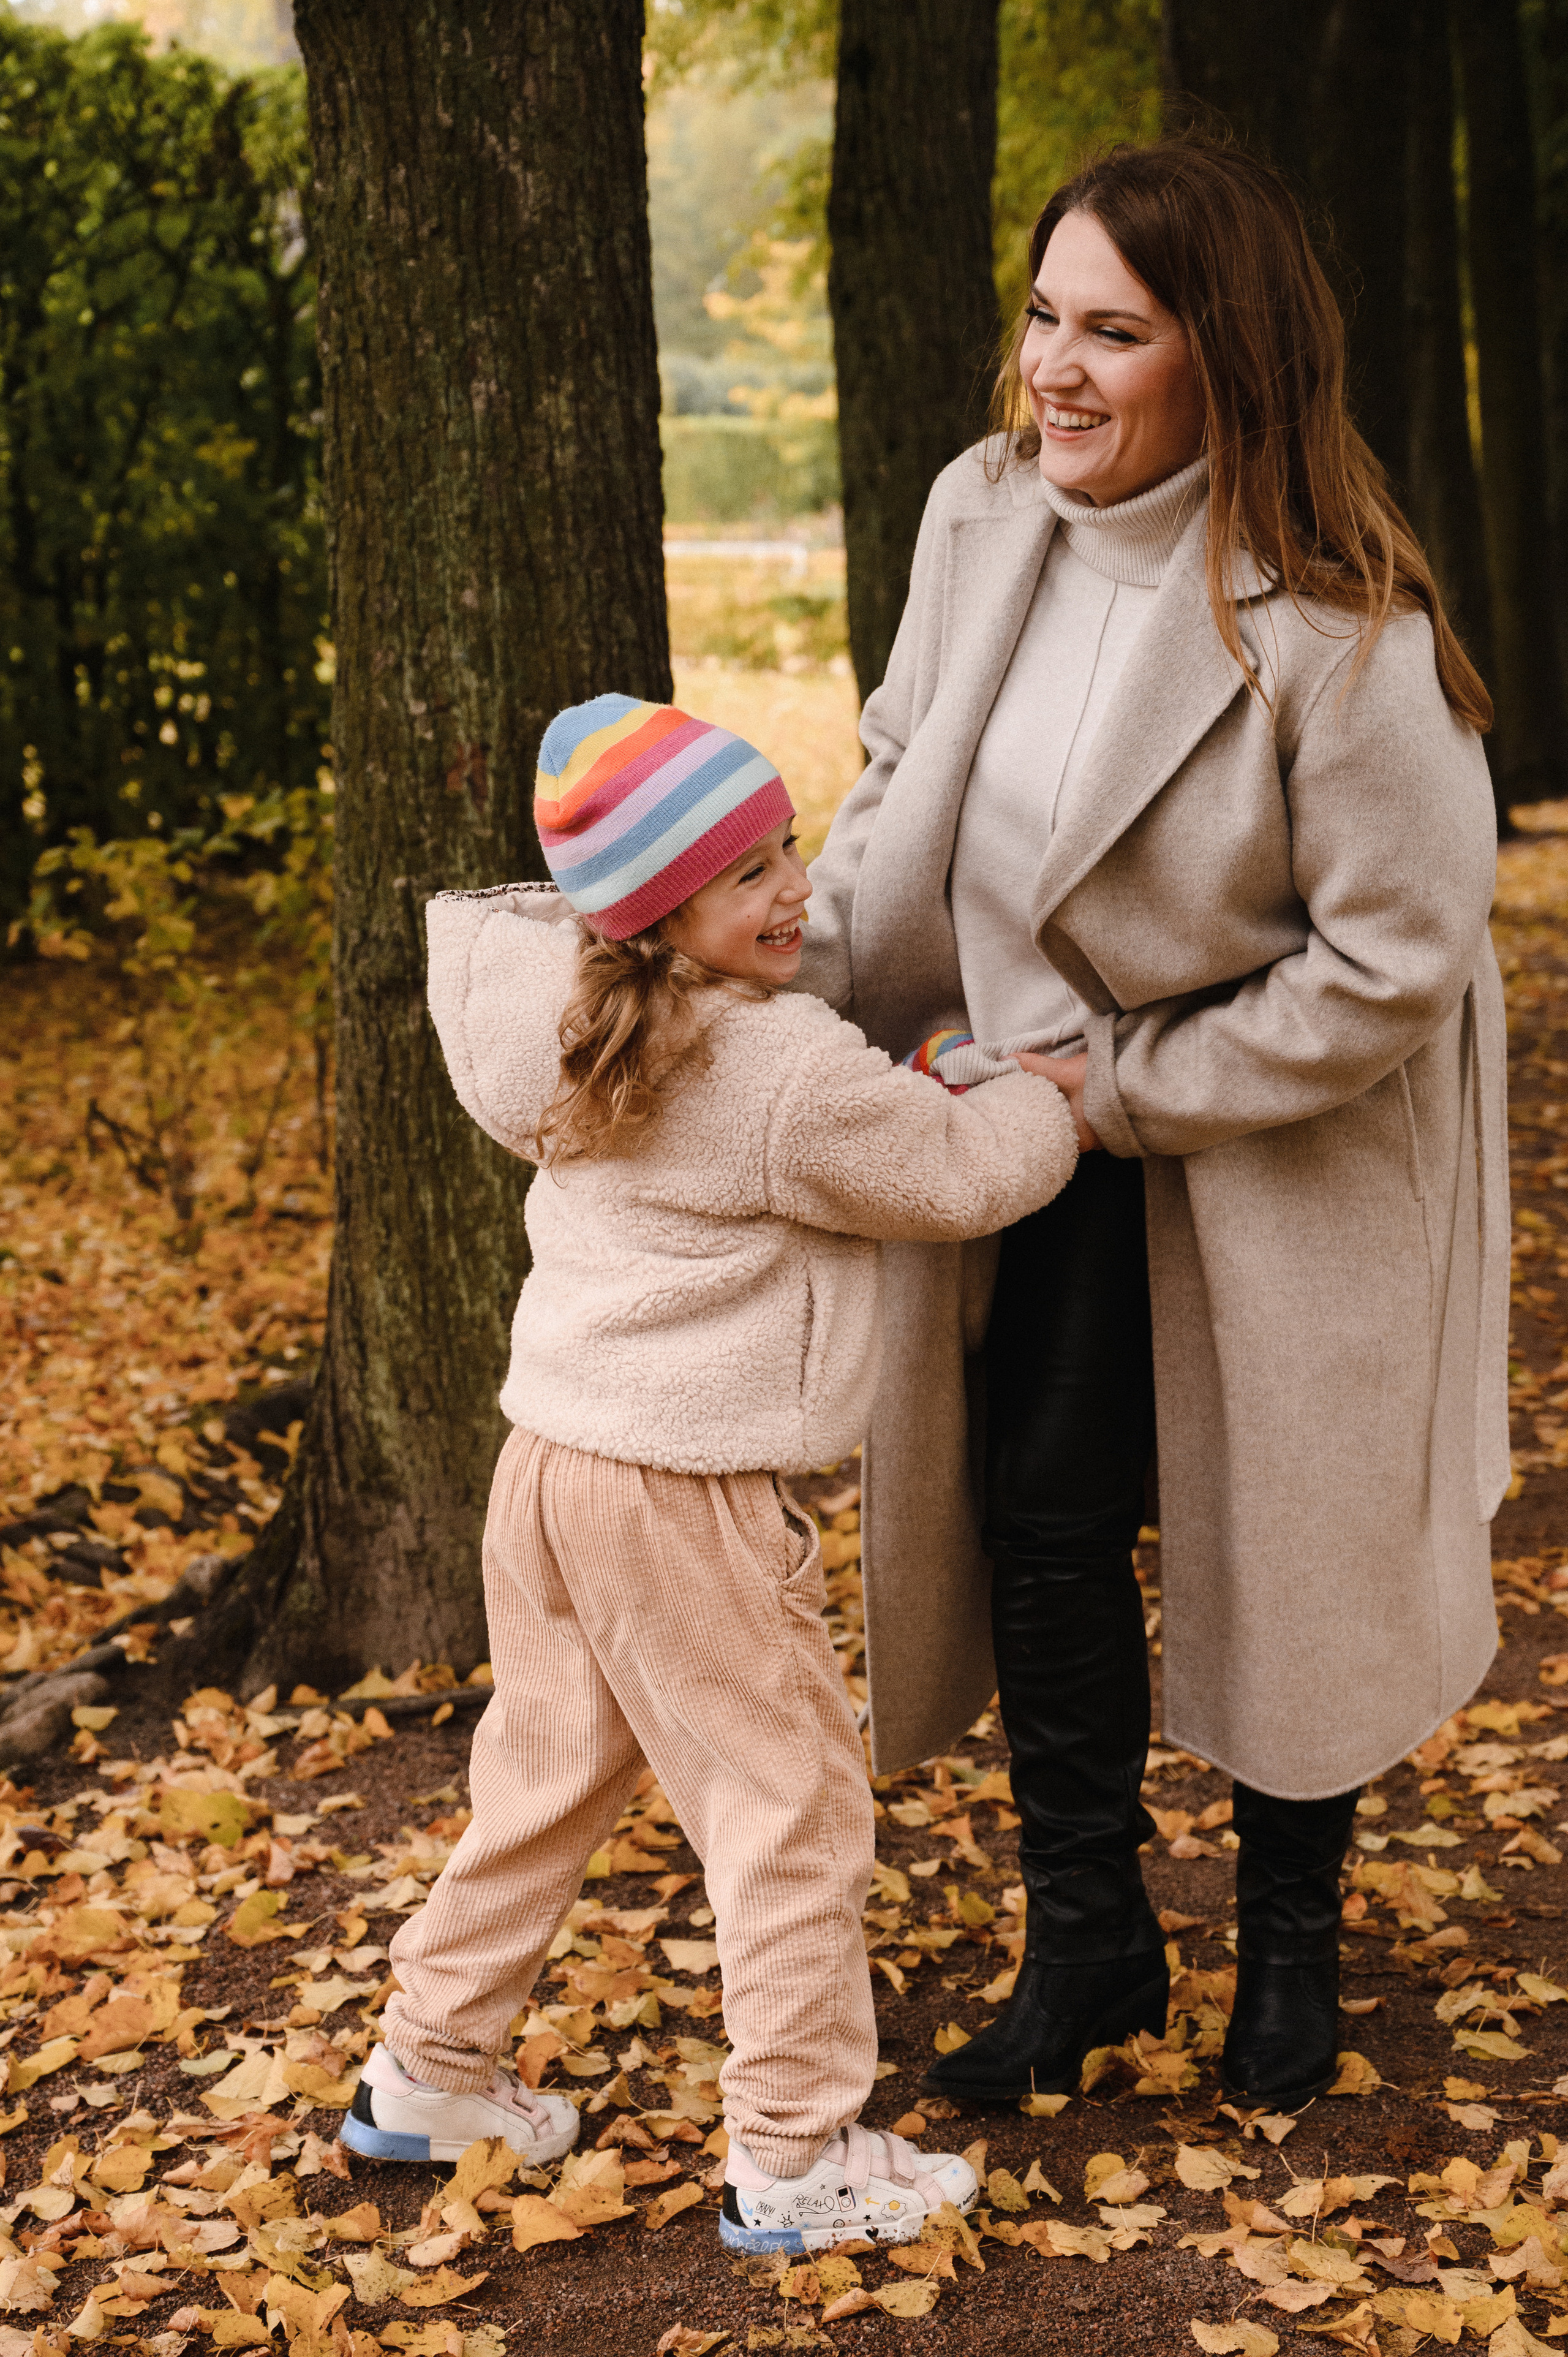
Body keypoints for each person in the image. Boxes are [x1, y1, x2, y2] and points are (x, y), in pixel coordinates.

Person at [797, 136, 1506, 2114]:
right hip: (1020, 1111)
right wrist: (780, 981)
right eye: (1045, 316)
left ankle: (1292, 1947)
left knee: (1286, 1524)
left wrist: (1123, 1089)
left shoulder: (1342, 623)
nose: (1056, 367)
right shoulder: (980, 514)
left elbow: (1394, 959)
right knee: (1039, 1515)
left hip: (1270, 1120)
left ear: (1231, 352)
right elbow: (895, 774)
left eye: (1114, 330)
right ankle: (1092, 1940)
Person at [342, 693, 1079, 2250]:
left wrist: (906, 1073)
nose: (794, 889)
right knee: (789, 1804)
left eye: (789, 847)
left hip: (551, 1462)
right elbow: (954, 1172)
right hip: (680, 1488)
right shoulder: (776, 1071)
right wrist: (1026, 1092)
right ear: (661, 912)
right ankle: (796, 2152)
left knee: (543, 1776)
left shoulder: (559, 1014)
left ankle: (427, 2066)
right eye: (748, 873)